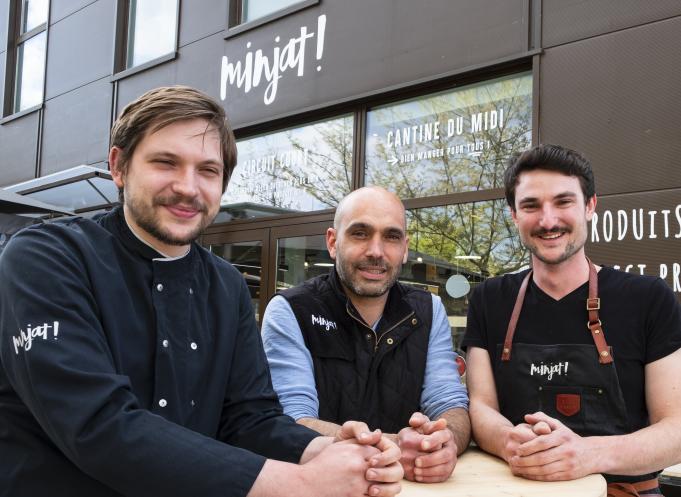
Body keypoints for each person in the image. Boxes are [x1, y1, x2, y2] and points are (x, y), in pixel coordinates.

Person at [0, 86, 404, 497]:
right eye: (165, 162)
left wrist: (327, 450)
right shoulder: (46, 257)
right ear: (119, 166)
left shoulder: (226, 285)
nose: (188, 187)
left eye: (208, 171)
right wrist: (302, 482)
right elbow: (98, 425)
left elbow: (249, 418)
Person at [463, 144, 681, 496]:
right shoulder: (490, 298)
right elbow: (481, 406)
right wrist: (510, 442)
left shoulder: (648, 297)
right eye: (531, 205)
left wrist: (586, 454)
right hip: (518, 489)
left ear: (590, 206)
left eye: (563, 202)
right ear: (514, 214)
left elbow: (676, 430)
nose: (548, 221)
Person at [262, 186, 471, 483]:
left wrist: (444, 441)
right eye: (360, 233)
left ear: (405, 248)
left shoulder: (429, 310)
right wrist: (399, 445)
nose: (376, 251)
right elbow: (292, 421)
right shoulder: (291, 310)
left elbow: (449, 402)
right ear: (333, 242)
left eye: (391, 236)